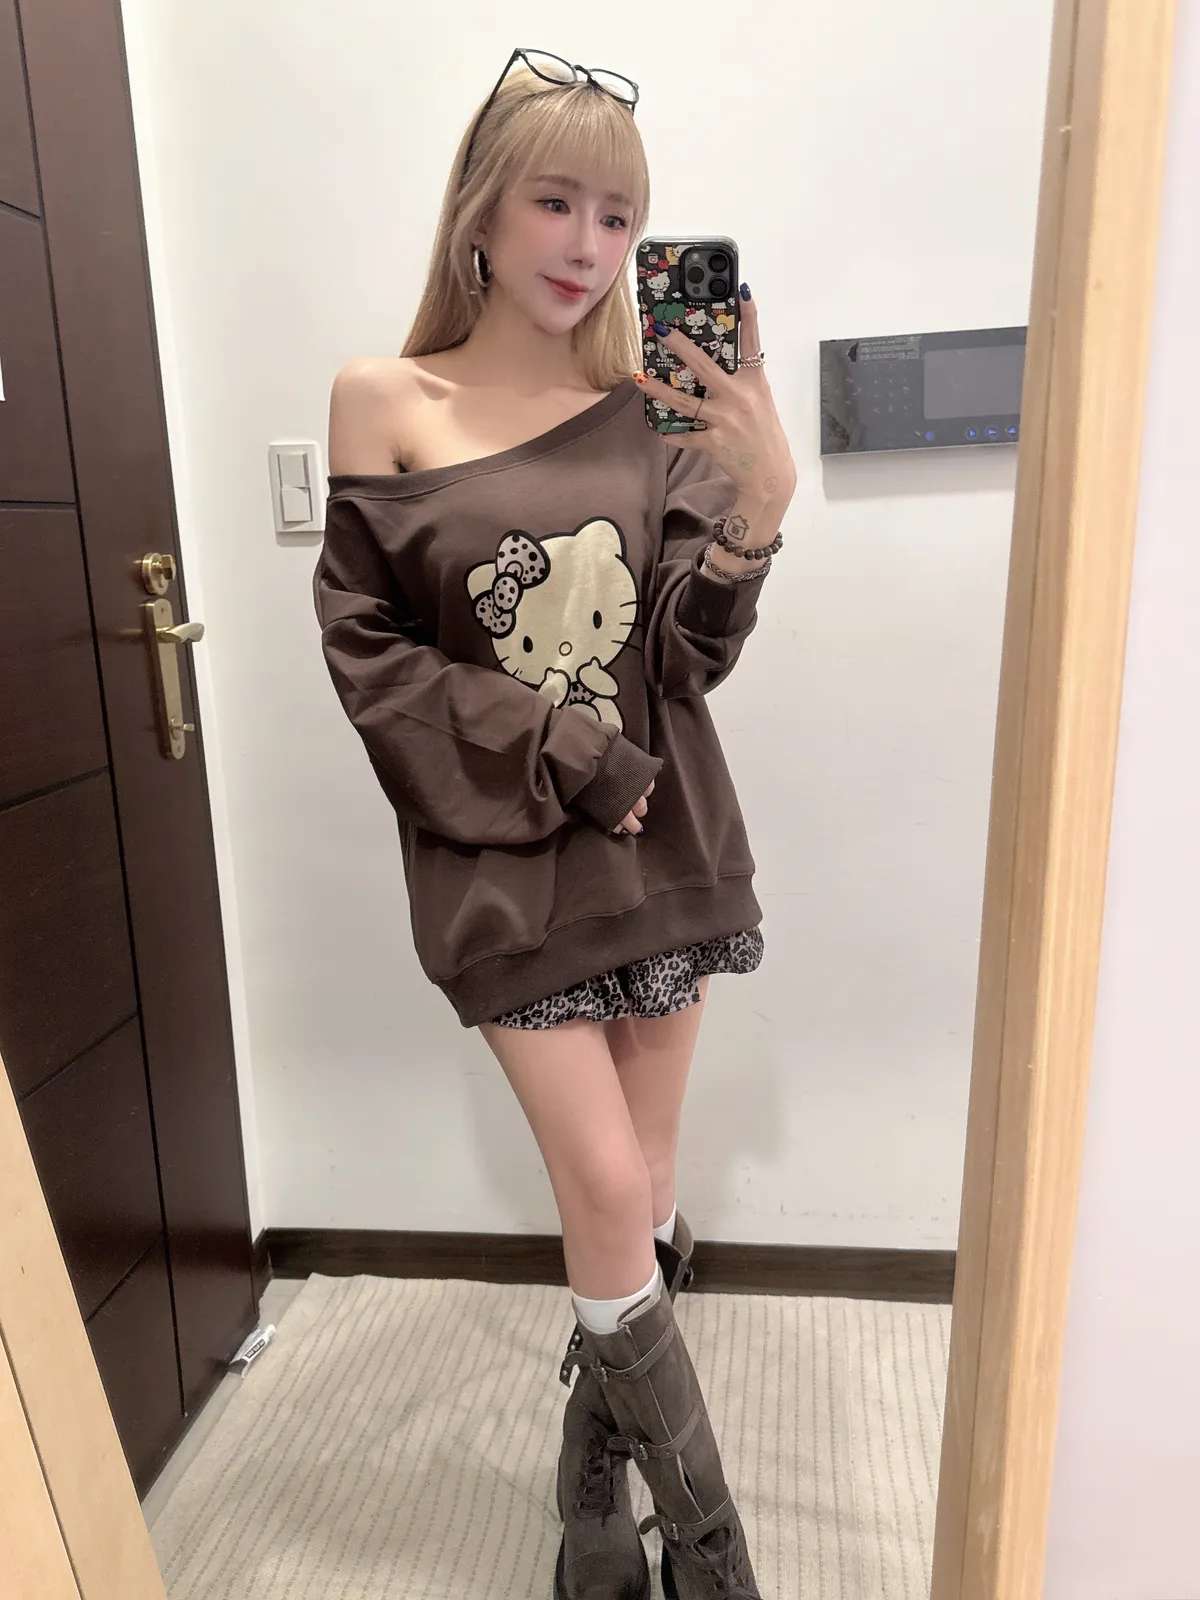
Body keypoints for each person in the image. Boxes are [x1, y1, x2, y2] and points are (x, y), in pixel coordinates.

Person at [313, 48, 796, 1600]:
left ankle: (597, 1515)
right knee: (602, 1187)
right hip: (504, 868)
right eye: (556, 201)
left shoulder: (647, 412)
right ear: (482, 208)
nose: (589, 244)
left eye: (618, 214)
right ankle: (712, 1554)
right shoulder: (387, 401)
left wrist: (756, 512)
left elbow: (684, 657)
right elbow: (373, 655)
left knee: (638, 1190)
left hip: (669, 846)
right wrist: (568, 748)